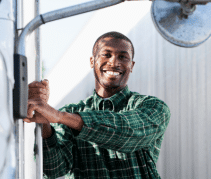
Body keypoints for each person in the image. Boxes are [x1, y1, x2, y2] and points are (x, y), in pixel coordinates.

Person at [25, 31, 171, 179]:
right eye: (106, 54)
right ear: (92, 61)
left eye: (122, 57)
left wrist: (59, 116)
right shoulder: (70, 113)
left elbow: (129, 132)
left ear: (131, 65)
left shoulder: (153, 107)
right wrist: (45, 123)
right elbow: (54, 169)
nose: (114, 62)